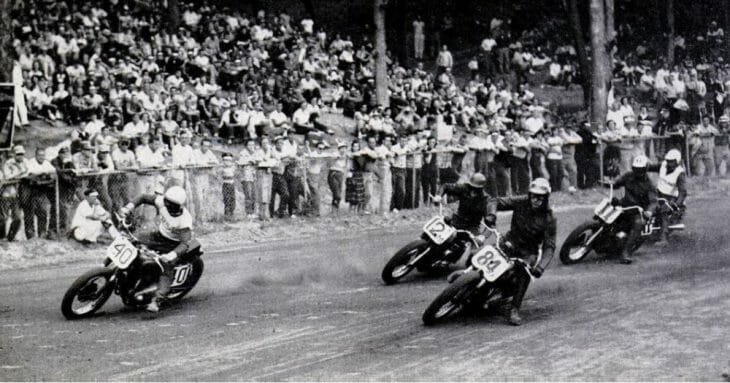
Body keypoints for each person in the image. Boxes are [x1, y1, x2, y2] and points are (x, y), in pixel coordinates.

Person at [483, 177, 555, 325]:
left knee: (525, 273)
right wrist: (491, 215)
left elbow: (549, 246)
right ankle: (467, 275)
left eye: (540, 197)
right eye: (534, 196)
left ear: (546, 198)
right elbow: (495, 201)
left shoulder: (549, 218)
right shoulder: (521, 201)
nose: (536, 200)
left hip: (528, 251)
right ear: (529, 195)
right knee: (484, 251)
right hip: (510, 241)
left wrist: (541, 267)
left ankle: (514, 308)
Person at [119, 186, 195, 313]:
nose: (168, 205)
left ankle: (157, 300)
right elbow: (143, 197)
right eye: (167, 201)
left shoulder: (184, 220)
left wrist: (172, 254)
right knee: (131, 242)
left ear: (180, 206)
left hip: (172, 244)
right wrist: (128, 207)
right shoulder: (162, 202)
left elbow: (185, 243)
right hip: (158, 235)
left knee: (166, 266)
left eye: (172, 204)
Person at [612, 155, 657, 265]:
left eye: (640, 169)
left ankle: (626, 252)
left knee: (638, 223)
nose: (638, 172)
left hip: (638, 210)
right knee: (606, 210)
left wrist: (649, 212)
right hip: (625, 204)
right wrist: (612, 184)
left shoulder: (649, 184)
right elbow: (617, 183)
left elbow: (653, 202)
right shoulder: (628, 176)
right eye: (636, 169)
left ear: (645, 169)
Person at [440, 173, 494, 261]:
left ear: (481, 188)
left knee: (477, 248)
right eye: (471, 187)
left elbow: (491, 224)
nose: (472, 191)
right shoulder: (464, 188)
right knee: (437, 230)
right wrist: (439, 196)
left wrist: (483, 236)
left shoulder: (486, 200)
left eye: (476, 189)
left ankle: (468, 264)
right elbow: (445, 186)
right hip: (456, 220)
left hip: (472, 227)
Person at [647, 149, 687, 246]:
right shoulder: (663, 165)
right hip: (658, 193)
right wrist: (642, 166)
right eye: (668, 161)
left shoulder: (680, 173)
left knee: (664, 210)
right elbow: (649, 167)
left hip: (671, 198)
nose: (669, 163)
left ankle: (663, 238)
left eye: (672, 161)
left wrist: (677, 204)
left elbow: (683, 192)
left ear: (677, 161)